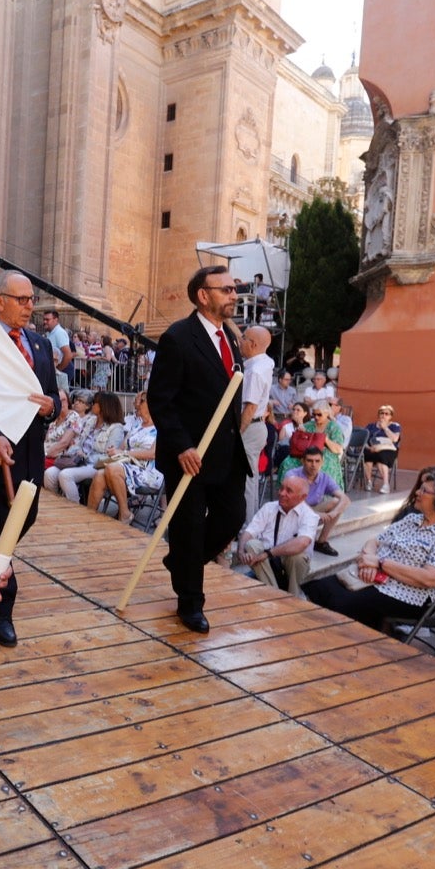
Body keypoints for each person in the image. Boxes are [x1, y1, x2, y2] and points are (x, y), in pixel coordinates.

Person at [146, 264, 249, 634]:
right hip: (188, 455)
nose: (233, 295)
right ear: (203, 295)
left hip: (227, 452)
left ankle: (181, 563)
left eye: (234, 289)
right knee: (188, 528)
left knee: (233, 516)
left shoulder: (230, 339)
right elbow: (161, 399)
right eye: (225, 290)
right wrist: (182, 446)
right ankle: (190, 602)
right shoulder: (178, 338)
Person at [0, 269, 61, 645]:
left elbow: (51, 398)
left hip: (31, 452)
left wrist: (51, 408)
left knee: (27, 515)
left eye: (32, 299)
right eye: (21, 300)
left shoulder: (40, 344)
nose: (29, 306)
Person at [302, 475, 435, 630]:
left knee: (340, 603)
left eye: (424, 491)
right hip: (373, 578)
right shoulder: (412, 519)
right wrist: (369, 560)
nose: (417, 493)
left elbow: (430, 578)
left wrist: (381, 564)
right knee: (317, 587)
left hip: (407, 595)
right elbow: (374, 541)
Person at [235, 471, 318, 595]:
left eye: (289, 491)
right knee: (251, 545)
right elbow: (249, 531)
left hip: (290, 564)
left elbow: (302, 543)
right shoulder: (269, 507)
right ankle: (274, 593)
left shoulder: (310, 516)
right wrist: (241, 550)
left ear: (302, 497)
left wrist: (268, 553)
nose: (281, 493)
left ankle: (293, 595)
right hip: (268, 564)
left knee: (298, 556)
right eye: (281, 488)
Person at [86, 392, 160, 524]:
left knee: (112, 469)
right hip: (128, 466)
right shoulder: (137, 427)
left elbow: (153, 454)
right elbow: (122, 447)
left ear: (151, 404)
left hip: (149, 471)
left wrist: (126, 454)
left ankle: (124, 513)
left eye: (141, 401)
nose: (137, 404)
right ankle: (90, 518)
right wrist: (115, 451)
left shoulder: (160, 428)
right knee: (99, 475)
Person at [48, 390, 125, 503]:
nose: (92, 405)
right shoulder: (90, 421)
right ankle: (55, 504)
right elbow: (78, 441)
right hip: (77, 460)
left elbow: (108, 456)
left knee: (65, 475)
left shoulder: (116, 428)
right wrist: (75, 453)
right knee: (49, 473)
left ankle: (75, 509)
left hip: (94, 465)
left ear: (103, 406)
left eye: (95, 403)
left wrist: (85, 457)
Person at [238, 326, 273, 517]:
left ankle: (246, 526)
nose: (240, 340)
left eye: (243, 338)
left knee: (247, 480)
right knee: (247, 478)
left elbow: (249, 408)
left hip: (250, 427)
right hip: (256, 427)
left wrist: (237, 433)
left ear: (252, 344)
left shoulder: (256, 371)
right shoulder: (262, 361)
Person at [299, 447, 349, 555]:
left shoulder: (324, 478)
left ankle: (321, 542)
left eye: (317, 461)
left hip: (312, 513)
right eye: (309, 461)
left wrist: (333, 514)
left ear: (322, 462)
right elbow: (293, 502)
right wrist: (316, 514)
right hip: (294, 513)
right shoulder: (293, 475)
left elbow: (345, 499)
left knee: (336, 502)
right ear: (302, 461)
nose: (313, 465)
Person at [278, 403, 344, 485]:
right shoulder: (309, 425)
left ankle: (320, 491)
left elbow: (338, 449)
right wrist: (301, 432)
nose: (316, 417)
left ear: (327, 413)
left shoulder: (334, 427)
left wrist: (325, 439)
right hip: (306, 453)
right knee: (288, 462)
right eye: (314, 414)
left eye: (319, 414)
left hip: (326, 454)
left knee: (321, 465)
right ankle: (291, 490)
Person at [363, 405, 401, 493]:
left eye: (386, 414)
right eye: (381, 413)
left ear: (391, 416)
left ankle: (386, 484)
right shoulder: (371, 426)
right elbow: (364, 440)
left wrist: (385, 428)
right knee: (366, 455)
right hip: (372, 448)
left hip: (388, 449)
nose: (383, 415)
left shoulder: (395, 425)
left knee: (381, 456)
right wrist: (369, 447)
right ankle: (369, 482)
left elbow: (395, 439)